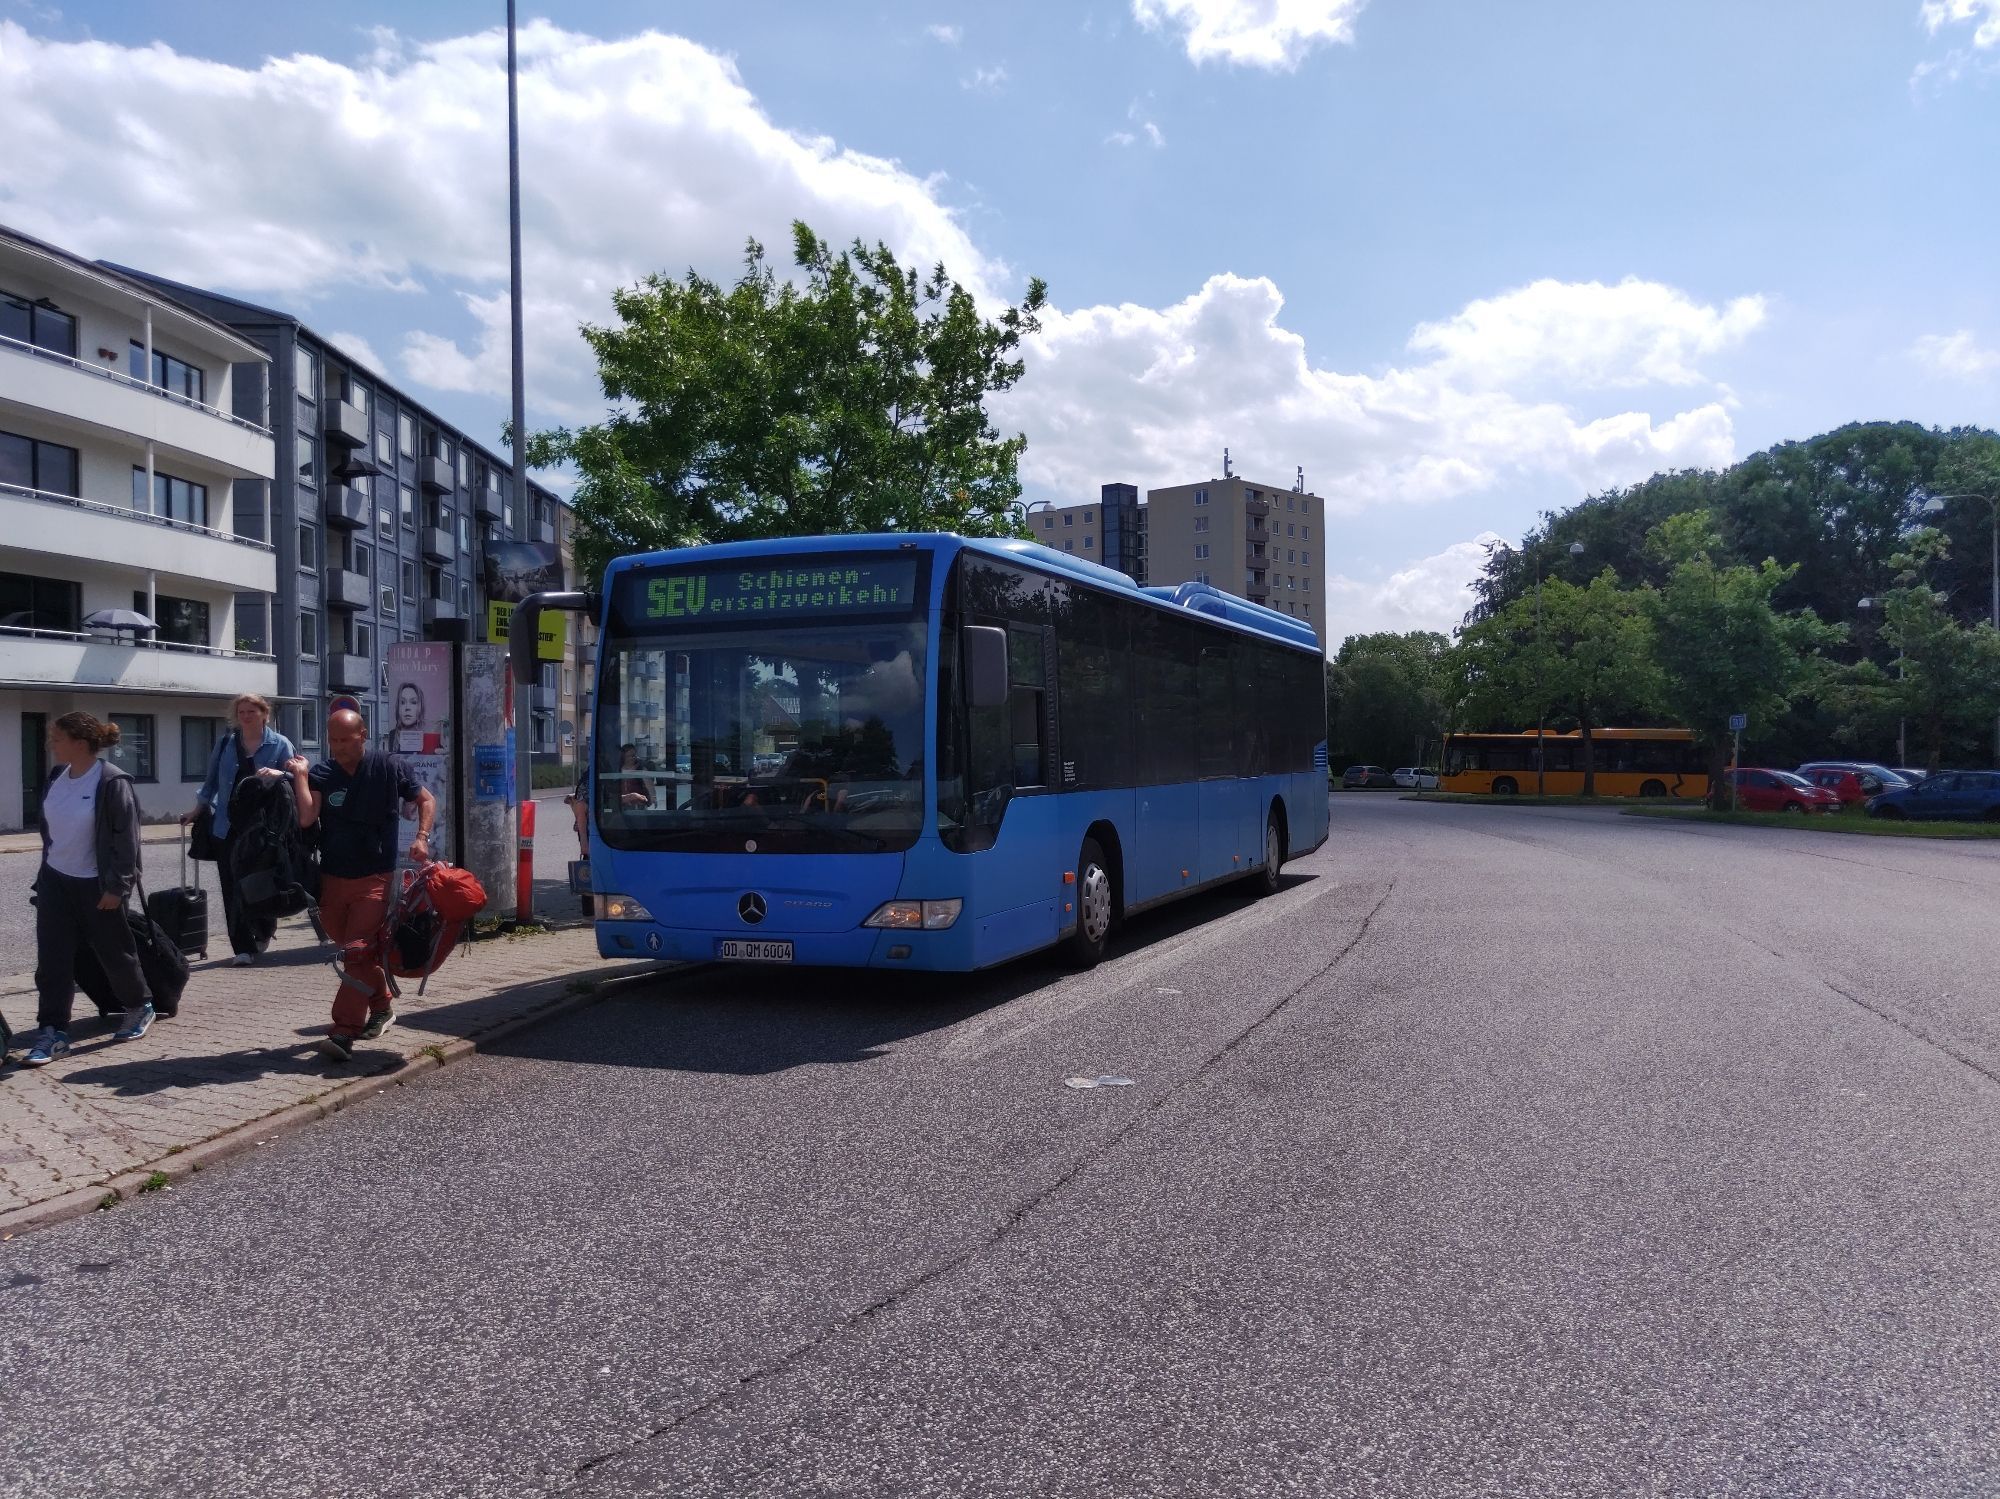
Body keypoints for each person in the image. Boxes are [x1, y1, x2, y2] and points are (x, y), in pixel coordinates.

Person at [286, 709, 435, 1064]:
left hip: (376, 877)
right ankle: (382, 1006)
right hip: (333, 878)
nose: (337, 747)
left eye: (345, 739)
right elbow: (307, 816)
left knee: (356, 950)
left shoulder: (389, 767)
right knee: (354, 949)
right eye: (332, 740)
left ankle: (343, 1031)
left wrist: (422, 837)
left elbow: (426, 799)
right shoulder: (323, 772)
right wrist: (302, 777)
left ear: (363, 734)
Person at [21, 713, 154, 1066]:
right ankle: (52, 1031)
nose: (51, 744)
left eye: (57, 738)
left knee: (114, 952)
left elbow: (127, 840)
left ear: (80, 743)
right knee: (52, 960)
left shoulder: (111, 782)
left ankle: (139, 1006)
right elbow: (51, 832)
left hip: (97, 884)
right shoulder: (56, 777)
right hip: (55, 881)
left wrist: (117, 886)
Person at [185, 692, 296, 966]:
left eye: (252, 712)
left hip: (263, 828)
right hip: (227, 826)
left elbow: (297, 775)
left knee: (260, 880)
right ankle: (242, 948)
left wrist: (280, 774)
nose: (246, 717)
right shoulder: (225, 744)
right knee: (231, 885)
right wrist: (196, 811)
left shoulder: (279, 744)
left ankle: (264, 927)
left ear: (264, 714)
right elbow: (210, 783)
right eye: (242, 712)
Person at [379, 681, 442, 754]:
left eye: (413, 702)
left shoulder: (429, 734)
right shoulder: (392, 734)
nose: (407, 708)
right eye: (402, 702)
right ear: (398, 707)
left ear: (420, 707)